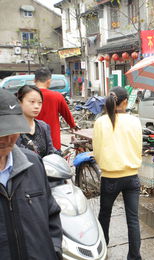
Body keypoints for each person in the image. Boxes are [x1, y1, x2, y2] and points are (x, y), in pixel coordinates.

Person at [0, 89, 63, 259]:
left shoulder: (33, 164)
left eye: (10, 130)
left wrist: (54, 250)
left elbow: (51, 214)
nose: (6, 139)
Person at [92, 87, 142, 260]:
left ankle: (102, 249)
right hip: (132, 177)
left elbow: (97, 152)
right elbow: (139, 148)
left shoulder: (100, 122)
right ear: (126, 102)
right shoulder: (135, 121)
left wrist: (106, 164)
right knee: (133, 220)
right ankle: (134, 256)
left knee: (104, 216)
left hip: (110, 177)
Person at [35, 67, 78, 151]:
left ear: (34, 80)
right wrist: (73, 125)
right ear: (49, 81)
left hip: (32, 143)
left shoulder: (27, 96)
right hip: (53, 142)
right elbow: (67, 115)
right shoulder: (57, 96)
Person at [15, 85, 58, 158]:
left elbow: (50, 152)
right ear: (20, 102)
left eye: (39, 102)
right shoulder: (13, 129)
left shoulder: (43, 126)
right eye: (32, 102)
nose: (37, 106)